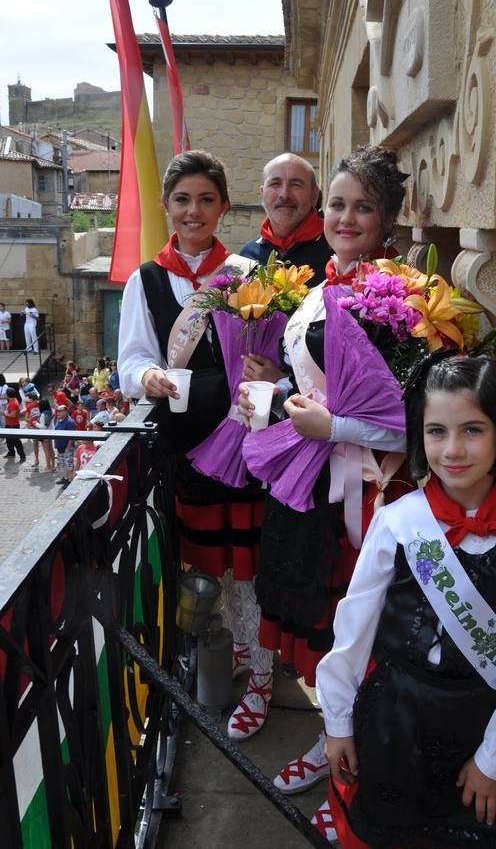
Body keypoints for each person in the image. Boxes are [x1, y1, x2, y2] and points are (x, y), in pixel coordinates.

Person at [316, 354, 496, 847]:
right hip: (393, 725)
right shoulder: (398, 521)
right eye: (436, 431)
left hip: (478, 733)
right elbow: (353, 630)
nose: (452, 450)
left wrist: (495, 761)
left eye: (473, 430)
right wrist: (338, 720)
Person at [238, 146, 408, 782]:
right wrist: (277, 390)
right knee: (330, 627)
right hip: (314, 481)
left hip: (364, 490)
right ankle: (335, 741)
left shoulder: (395, 297)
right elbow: (323, 379)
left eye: (363, 207)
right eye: (337, 203)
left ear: (388, 219)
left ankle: (351, 759)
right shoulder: (325, 284)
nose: (345, 216)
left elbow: (403, 419)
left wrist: (332, 425)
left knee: (356, 627)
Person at [118, 149, 272, 740]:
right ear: (166, 206)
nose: (193, 210)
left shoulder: (247, 274)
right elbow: (132, 360)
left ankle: (261, 675)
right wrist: (147, 378)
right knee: (218, 564)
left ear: (224, 207)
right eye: (182, 199)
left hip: (245, 442)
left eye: (207, 199)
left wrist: (264, 365)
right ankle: (242, 648)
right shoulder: (146, 281)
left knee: (251, 567)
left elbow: (267, 349)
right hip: (189, 445)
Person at [239, 153, 332, 386]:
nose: (284, 194)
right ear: (262, 194)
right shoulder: (246, 256)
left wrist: (285, 381)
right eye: (275, 183)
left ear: (314, 195)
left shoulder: (336, 253)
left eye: (296, 184)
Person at [54, 404, 76, 486]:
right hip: (59, 446)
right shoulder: (58, 419)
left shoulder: (70, 422)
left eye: (60, 411)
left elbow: (72, 436)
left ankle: (70, 481)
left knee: (69, 465)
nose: (58, 413)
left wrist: (68, 447)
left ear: (66, 412)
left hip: (67, 448)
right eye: (57, 411)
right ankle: (65, 478)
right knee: (62, 464)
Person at [3, 387, 26, 461]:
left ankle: (22, 456)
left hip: (12, 425)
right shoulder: (12, 400)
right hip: (9, 424)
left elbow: (13, 415)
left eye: (6, 393)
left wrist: (4, 414)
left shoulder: (13, 403)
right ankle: (11, 453)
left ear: (8, 395)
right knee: (9, 440)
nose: (5, 394)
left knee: (16, 441)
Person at [36, 399, 55, 472]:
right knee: (51, 450)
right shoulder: (51, 411)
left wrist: (35, 423)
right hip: (50, 433)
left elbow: (43, 426)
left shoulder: (43, 414)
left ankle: (48, 466)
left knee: (46, 451)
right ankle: (53, 466)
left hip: (45, 434)